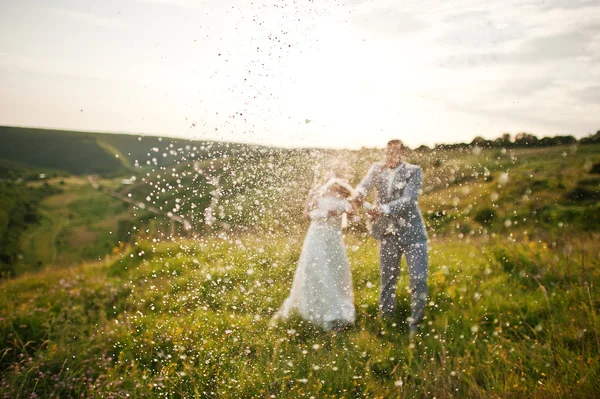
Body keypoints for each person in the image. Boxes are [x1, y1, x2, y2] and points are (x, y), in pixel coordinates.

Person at [353, 140, 429, 338]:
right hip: (387, 233)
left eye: (394, 152)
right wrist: (359, 194)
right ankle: (386, 323)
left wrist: (384, 208)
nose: (390, 155)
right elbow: (364, 184)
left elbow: (409, 199)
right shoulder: (376, 169)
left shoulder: (414, 171)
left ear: (402, 153)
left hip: (413, 234)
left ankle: (416, 325)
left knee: (419, 280)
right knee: (387, 280)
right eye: (387, 151)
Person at [272, 176, 356, 330]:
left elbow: (354, 219)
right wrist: (325, 213)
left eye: (335, 189)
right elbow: (308, 215)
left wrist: (351, 213)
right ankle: (316, 311)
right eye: (330, 188)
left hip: (333, 241)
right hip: (316, 238)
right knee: (315, 270)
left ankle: (335, 309)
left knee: (336, 273)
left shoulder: (346, 201)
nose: (331, 190)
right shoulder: (318, 196)